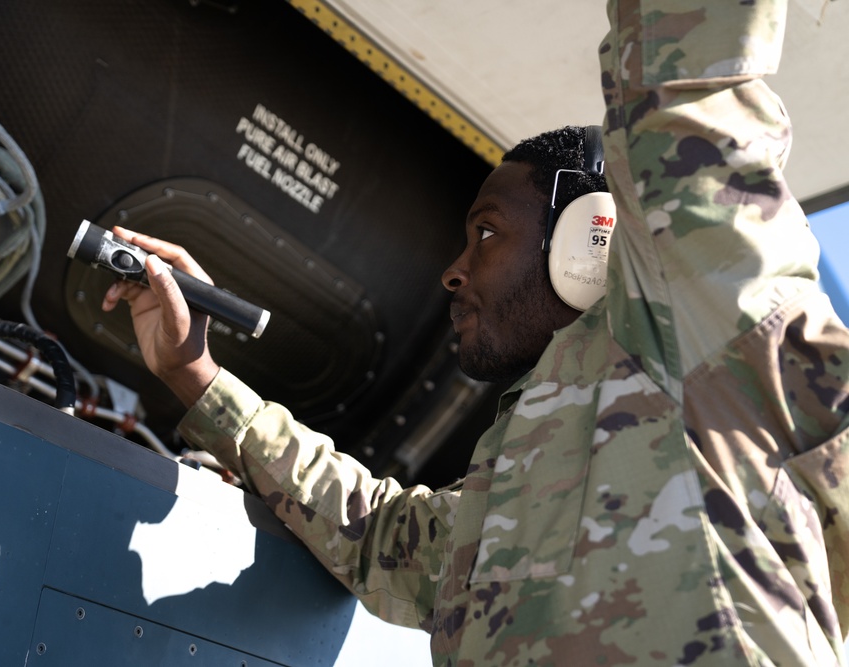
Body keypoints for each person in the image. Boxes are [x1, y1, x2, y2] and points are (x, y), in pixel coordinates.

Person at [102, 0, 849, 664]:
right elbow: (375, 535)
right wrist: (194, 373)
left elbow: (689, 103)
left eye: (486, 233)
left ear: (589, 243)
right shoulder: (508, 491)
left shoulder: (697, 339)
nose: (453, 274)